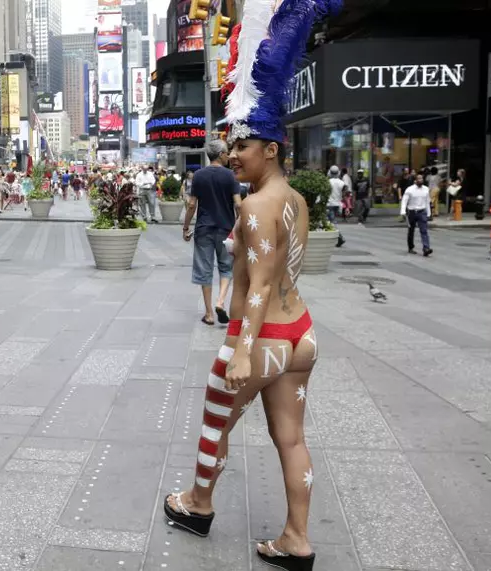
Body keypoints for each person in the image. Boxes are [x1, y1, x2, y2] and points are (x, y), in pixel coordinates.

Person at [164, 2, 337, 567]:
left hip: (259, 340)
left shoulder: (261, 205)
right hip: (300, 337)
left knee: (215, 422)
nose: (233, 153)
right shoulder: (295, 201)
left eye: (242, 145)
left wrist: (241, 351)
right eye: (232, 145)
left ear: (272, 149)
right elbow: (278, 263)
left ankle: (198, 503)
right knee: (290, 439)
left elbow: (260, 284)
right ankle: (296, 538)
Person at [182, 139, 242, 326]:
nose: (229, 156)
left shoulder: (199, 175)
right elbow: (239, 204)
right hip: (226, 229)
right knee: (226, 267)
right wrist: (240, 227)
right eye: (227, 153)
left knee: (204, 270)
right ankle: (220, 301)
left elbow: (192, 204)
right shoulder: (230, 176)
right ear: (221, 154)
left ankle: (209, 313)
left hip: (203, 229)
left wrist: (186, 227)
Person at [400, 173, 432, 257]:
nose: (421, 180)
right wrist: (403, 212)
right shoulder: (409, 190)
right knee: (411, 230)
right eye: (419, 179)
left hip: (422, 212)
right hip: (412, 212)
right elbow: (404, 201)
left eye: (422, 179)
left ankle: (426, 248)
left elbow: (427, 201)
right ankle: (411, 247)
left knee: (424, 230)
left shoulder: (426, 189)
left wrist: (429, 213)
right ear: (415, 181)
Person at [327, 166, 346, 247]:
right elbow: (346, 192)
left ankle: (340, 238)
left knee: (332, 221)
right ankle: (336, 238)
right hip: (337, 204)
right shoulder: (341, 183)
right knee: (332, 221)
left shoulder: (327, 182)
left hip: (329, 204)